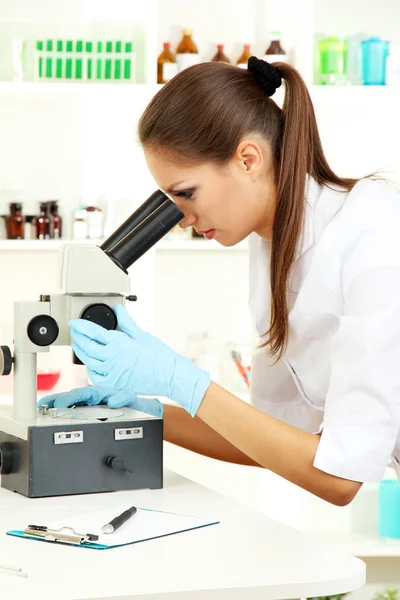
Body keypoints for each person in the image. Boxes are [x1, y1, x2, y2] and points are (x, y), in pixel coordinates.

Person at [39, 56, 400, 507]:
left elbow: (338, 478)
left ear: (248, 159)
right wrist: (147, 411)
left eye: (186, 193)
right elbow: (277, 438)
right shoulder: (271, 245)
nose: (181, 218)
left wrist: (183, 381)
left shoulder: (374, 236)